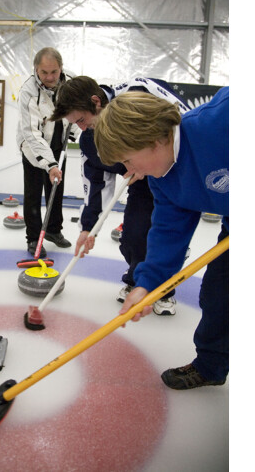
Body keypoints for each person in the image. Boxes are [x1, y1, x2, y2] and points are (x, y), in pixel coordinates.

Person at [94, 88, 229, 390]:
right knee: (219, 293)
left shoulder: (221, 121)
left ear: (155, 140)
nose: (130, 173)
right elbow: (168, 234)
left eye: (128, 161)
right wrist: (147, 286)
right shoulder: (163, 179)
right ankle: (211, 366)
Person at [50, 75, 189, 316]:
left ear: (96, 102)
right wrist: (88, 228)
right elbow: (96, 184)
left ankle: (164, 289)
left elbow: (184, 125)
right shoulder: (89, 140)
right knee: (133, 237)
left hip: (173, 171)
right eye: (76, 124)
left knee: (164, 233)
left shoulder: (139, 92)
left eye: (82, 120)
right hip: (140, 181)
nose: (82, 128)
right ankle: (137, 278)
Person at [15, 47, 78, 258]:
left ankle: (53, 230)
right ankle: (33, 238)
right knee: (33, 193)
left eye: (54, 71)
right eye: (44, 72)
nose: (50, 77)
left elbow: (78, 110)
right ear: (36, 69)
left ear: (60, 68)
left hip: (59, 141)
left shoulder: (70, 83)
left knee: (56, 189)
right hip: (33, 147)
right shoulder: (28, 92)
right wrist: (50, 164)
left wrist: (75, 132)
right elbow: (31, 133)